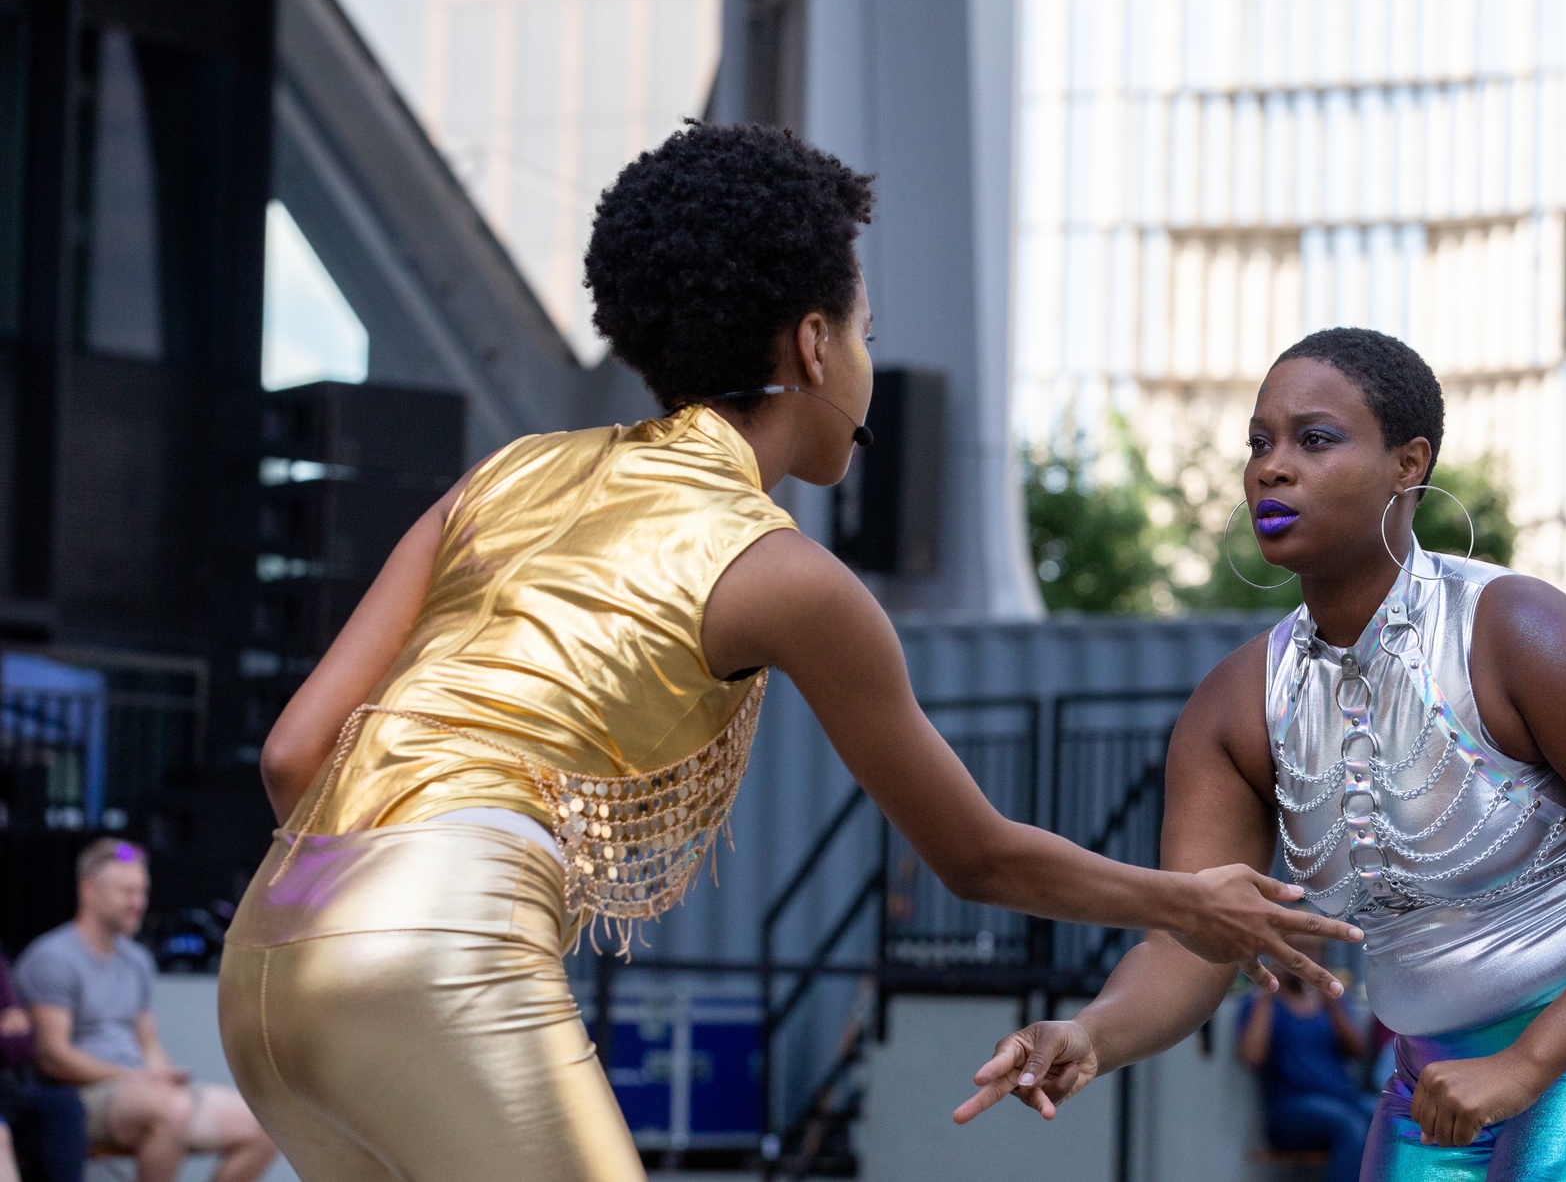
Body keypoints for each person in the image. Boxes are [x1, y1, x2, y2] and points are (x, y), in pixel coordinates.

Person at [220, 122, 1353, 1182]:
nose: (864, 359)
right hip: (433, 954)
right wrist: (1188, 903)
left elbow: (294, 754)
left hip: (269, 954)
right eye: (863, 331)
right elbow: (976, 858)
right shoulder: (784, 573)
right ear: (812, 345)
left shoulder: (505, 476)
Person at [956, 327, 1566, 1179]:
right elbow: (1194, 940)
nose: (1272, 468)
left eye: (1315, 439)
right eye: (1259, 442)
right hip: (1442, 1083)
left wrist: (1529, 1062)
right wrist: (1090, 1030)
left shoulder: (1518, 632)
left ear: (1408, 463)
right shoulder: (1234, 708)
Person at [16, 840, 274, 1182]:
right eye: (127, 892)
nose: (139, 903)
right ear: (89, 890)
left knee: (265, 1125)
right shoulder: (53, 958)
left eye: (142, 892)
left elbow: (147, 1040)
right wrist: (140, 1081)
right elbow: (53, 1057)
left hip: (140, 1089)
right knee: (172, 1112)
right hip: (79, 1097)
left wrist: (163, 1077)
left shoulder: (136, 960)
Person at [1236, 935, 1380, 1182]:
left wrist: (1328, 996)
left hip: (1343, 1099)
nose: (1302, 958)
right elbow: (1252, 1057)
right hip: (1291, 1109)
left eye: (1311, 950)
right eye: (1295, 950)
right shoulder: (1264, 1003)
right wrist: (1269, 989)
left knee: (1387, 1116)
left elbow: (1357, 1051)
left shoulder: (1331, 1001)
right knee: (1349, 1126)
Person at [2, 946, 86, 1182]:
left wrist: (10, 1034)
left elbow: (23, 1047)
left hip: (8, 1090)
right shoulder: (51, 958)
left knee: (63, 1105)